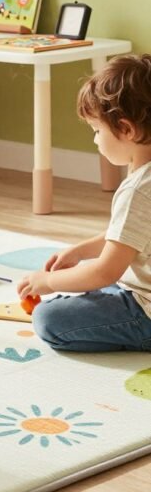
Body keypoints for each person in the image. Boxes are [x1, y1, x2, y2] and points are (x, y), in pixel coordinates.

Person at [18, 54, 151, 352]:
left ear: (126, 129)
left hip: (146, 310)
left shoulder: (139, 191)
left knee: (48, 318)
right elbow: (130, 234)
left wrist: (50, 282)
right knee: (88, 284)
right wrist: (80, 251)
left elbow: (106, 272)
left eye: (96, 130)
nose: (95, 140)